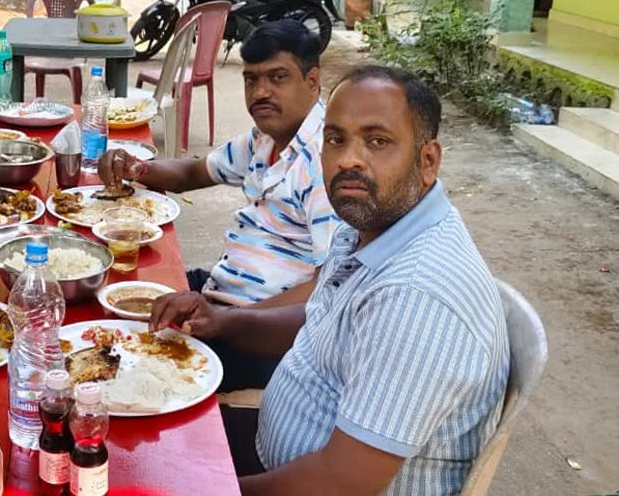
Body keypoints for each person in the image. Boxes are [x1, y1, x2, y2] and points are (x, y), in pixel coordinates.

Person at [151, 65, 511, 495]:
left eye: (377, 141)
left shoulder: (416, 297)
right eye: (336, 139)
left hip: (319, 485)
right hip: (279, 456)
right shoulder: (368, 226)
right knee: (143, 429)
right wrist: (224, 321)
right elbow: (320, 321)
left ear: (428, 160)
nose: (348, 159)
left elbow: (340, 483)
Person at [98, 20, 338, 391]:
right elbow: (194, 172)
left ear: (312, 81)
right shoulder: (266, 138)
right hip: (221, 294)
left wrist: (229, 321)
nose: (261, 92)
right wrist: (137, 168)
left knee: (131, 375)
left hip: (264, 334)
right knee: (111, 297)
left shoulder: (324, 161)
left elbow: (328, 287)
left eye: (278, 78)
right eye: (251, 80)